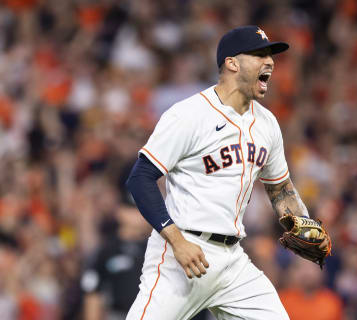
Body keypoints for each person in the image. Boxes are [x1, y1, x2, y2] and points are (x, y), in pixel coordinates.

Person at [125, 25, 320, 320]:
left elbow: (280, 189)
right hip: (183, 252)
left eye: (271, 55)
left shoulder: (267, 123)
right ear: (232, 63)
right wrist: (177, 241)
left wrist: (303, 224)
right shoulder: (189, 114)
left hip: (233, 261)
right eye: (260, 55)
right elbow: (140, 178)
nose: (270, 62)